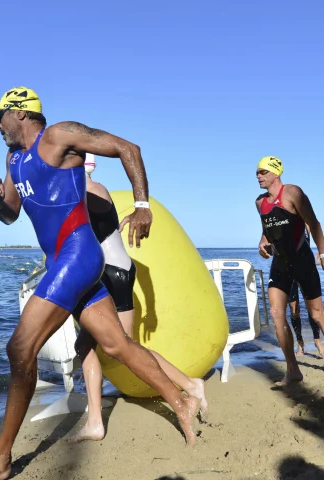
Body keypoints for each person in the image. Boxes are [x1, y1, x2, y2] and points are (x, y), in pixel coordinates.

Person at [0, 87, 201, 480]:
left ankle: (1, 458)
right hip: (61, 261)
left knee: (20, 348)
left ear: (19, 113)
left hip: (78, 255)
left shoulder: (57, 136)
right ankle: (181, 400)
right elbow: (10, 215)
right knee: (115, 344)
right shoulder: (14, 159)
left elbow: (129, 148)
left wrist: (143, 207)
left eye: (0, 115)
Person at [67, 154, 207, 443]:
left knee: (126, 346)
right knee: (85, 345)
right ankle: (95, 422)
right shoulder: (80, 191)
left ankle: (190, 385)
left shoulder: (93, 190)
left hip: (113, 274)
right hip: (102, 275)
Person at [254, 155, 324, 387]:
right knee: (276, 314)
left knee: (317, 315)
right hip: (280, 263)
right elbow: (267, 230)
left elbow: (314, 224)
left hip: (303, 261)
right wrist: (262, 243)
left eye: (263, 172)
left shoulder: (293, 193)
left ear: (275, 173)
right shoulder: (259, 203)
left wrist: (323, 257)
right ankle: (293, 369)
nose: (258, 176)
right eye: (257, 173)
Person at [287, 227, 324, 357]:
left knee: (313, 309)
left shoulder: (306, 224)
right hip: (288, 270)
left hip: (306, 270)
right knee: (294, 310)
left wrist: (321, 256)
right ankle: (300, 344)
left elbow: (313, 238)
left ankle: (317, 341)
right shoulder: (282, 220)